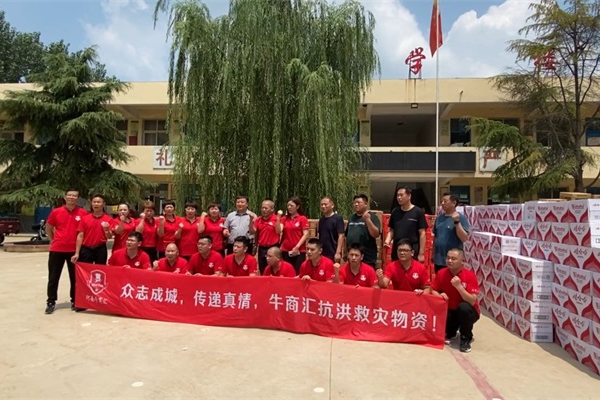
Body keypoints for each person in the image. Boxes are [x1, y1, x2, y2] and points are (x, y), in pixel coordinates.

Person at [44, 189, 88, 315]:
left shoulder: (83, 213)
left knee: (75, 278)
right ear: (65, 197)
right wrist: (53, 240)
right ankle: (51, 302)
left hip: (74, 251)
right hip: (57, 249)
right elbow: (48, 227)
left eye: (74, 196)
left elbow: (84, 231)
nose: (71, 197)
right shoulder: (56, 212)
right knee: (53, 277)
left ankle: (75, 300)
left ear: (78, 198)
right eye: (69, 195)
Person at [431, 248, 480, 353]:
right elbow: (433, 290)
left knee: (464, 307)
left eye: (453, 259)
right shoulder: (441, 273)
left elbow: (472, 301)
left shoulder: (470, 276)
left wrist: (459, 287)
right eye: (448, 258)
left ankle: (466, 337)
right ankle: (452, 331)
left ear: (462, 261)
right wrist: (440, 295)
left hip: (468, 312)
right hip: (450, 311)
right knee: (448, 333)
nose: (450, 261)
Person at [384, 187, 427, 262]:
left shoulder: (418, 212)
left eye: (401, 195)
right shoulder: (395, 212)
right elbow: (391, 230)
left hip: (412, 250)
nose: (399, 198)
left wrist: (421, 253)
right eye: (397, 195)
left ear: (409, 196)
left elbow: (422, 233)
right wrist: (387, 241)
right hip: (397, 250)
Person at [432, 193, 470, 273]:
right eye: (442, 201)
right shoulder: (439, 218)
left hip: (453, 261)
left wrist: (457, 222)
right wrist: (433, 254)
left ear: (454, 203)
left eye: (445, 201)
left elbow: (464, 238)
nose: (442, 203)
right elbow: (435, 237)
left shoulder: (461, 218)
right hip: (439, 260)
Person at [71, 194, 113, 265]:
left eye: (98, 202)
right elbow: (80, 236)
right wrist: (77, 253)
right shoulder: (85, 218)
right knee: (85, 270)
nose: (96, 204)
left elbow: (109, 237)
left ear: (103, 204)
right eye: (94, 202)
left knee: (100, 270)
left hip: (100, 248)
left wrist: (106, 230)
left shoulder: (109, 219)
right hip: (86, 249)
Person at [345, 194, 381, 268]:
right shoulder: (351, 217)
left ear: (366, 204)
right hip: (353, 256)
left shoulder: (372, 216)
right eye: (355, 203)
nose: (356, 204)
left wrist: (367, 220)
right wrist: (345, 251)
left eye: (358, 202)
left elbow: (376, 234)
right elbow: (346, 236)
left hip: (367, 257)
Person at [277, 196, 309, 274]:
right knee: (287, 272)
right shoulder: (284, 219)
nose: (289, 207)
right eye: (288, 205)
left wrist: (297, 247)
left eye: (291, 205)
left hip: (299, 250)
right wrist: (278, 218)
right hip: (285, 250)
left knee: (298, 271)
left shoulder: (302, 218)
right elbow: (278, 231)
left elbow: (306, 234)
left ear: (297, 207)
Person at [250, 200, 280, 274]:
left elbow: (278, 231)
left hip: (273, 247)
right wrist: (250, 221)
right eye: (262, 208)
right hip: (262, 248)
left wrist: (278, 219)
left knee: (273, 267)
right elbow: (253, 232)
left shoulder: (276, 219)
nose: (264, 210)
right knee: (262, 268)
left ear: (272, 209)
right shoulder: (258, 220)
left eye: (266, 208)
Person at [317, 196, 345, 263]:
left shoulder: (338, 218)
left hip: (333, 252)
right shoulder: (321, 220)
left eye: (325, 204)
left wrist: (338, 252)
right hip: (322, 252)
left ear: (332, 205)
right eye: (322, 204)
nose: (323, 206)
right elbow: (319, 235)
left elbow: (341, 236)